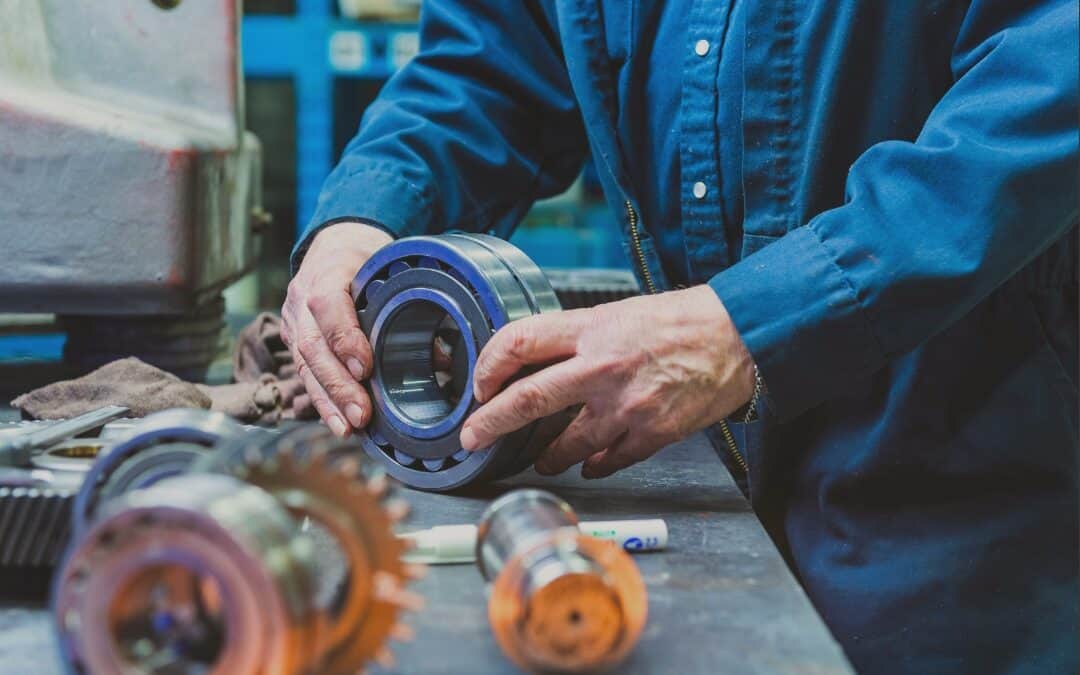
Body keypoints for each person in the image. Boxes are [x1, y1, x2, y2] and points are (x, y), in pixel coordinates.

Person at [281, 1, 1078, 672]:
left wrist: (755, 319)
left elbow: (1049, 81)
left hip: (974, 509)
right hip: (719, 491)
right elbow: (493, 64)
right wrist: (365, 217)